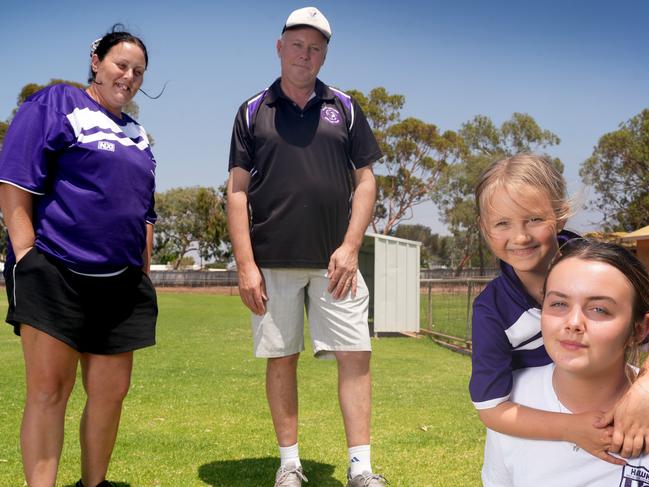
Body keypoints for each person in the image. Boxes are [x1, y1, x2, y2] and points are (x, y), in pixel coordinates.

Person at [227, 6, 386, 487]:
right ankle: (290, 465)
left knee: (356, 356)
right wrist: (245, 266)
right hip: (271, 261)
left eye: (315, 47)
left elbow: (366, 182)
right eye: (297, 44)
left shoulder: (346, 107)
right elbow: (236, 191)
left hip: (335, 260)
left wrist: (351, 245)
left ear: (325, 55)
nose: (305, 54)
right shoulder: (253, 110)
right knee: (282, 359)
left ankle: (361, 467)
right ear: (280, 48)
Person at [0, 25, 157, 487]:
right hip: (55, 271)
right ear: (96, 62)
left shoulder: (138, 134)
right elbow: (14, 182)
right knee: (50, 391)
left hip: (121, 283)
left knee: (110, 394)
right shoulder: (55, 104)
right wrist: (27, 256)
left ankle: (94, 484)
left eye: (138, 71)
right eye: (120, 64)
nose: (128, 76)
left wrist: (143, 268)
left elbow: (143, 210)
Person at [470, 153, 649, 463]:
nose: (520, 236)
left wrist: (644, 392)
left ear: (560, 215)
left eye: (534, 219)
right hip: (542, 436)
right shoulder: (492, 310)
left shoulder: (604, 269)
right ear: (485, 228)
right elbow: (491, 407)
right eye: (502, 223)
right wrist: (570, 428)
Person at [482, 239, 649, 486]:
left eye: (599, 309)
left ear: (639, 330)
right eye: (559, 303)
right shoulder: (512, 399)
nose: (573, 322)